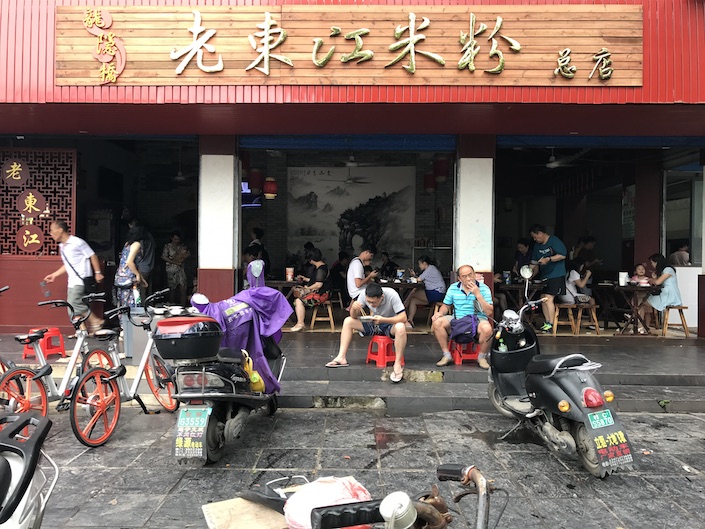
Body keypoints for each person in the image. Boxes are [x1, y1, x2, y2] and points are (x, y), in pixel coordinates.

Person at [325, 283, 408, 383]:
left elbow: (403, 317)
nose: (371, 305)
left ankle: (397, 363)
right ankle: (341, 357)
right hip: (373, 323)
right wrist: (354, 309)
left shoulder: (392, 294)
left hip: (389, 324)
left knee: (401, 327)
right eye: (369, 302)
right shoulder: (363, 294)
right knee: (348, 321)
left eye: (374, 302)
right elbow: (353, 316)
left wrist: (384, 320)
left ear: (382, 297)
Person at [43, 220, 104, 334]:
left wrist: (97, 272)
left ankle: (95, 321)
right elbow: (67, 265)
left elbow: (92, 255)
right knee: (71, 309)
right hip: (72, 281)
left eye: (52, 230)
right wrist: (54, 275)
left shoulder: (77, 242)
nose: (50, 233)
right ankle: (82, 332)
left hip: (81, 280)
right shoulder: (62, 246)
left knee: (74, 303)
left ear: (60, 230)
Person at [431, 265, 493, 369]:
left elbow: (489, 312)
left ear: (474, 274)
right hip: (458, 319)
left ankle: (482, 357)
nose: (468, 279)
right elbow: (446, 305)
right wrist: (440, 313)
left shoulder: (484, 288)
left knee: (487, 329)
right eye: (464, 276)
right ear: (459, 278)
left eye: (470, 275)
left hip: (477, 319)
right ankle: (446, 355)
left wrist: (478, 294)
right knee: (437, 322)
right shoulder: (453, 288)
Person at [529, 224, 567, 334]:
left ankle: (551, 324)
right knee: (542, 298)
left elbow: (562, 255)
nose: (534, 239)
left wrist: (548, 259)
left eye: (535, 237)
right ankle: (547, 322)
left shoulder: (554, 241)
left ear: (540, 233)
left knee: (548, 298)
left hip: (556, 274)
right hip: (544, 276)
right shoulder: (537, 246)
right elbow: (534, 263)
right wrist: (528, 273)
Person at [290, 247, 332, 332]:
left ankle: (300, 323)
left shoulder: (321, 269)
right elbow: (317, 280)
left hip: (322, 294)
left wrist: (307, 288)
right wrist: (305, 279)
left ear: (312, 259)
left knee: (298, 301)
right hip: (321, 292)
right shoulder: (321, 267)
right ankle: (300, 322)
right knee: (297, 297)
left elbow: (318, 284)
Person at [641, 253, 683, 334]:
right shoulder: (665, 270)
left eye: (652, 263)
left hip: (670, 297)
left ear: (657, 262)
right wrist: (654, 277)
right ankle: (643, 326)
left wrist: (651, 280)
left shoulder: (668, 270)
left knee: (641, 301)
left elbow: (658, 282)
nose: (652, 265)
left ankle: (640, 324)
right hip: (666, 295)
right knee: (642, 302)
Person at [405, 255, 447, 329]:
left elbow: (418, 280)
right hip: (436, 293)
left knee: (413, 293)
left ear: (424, 263)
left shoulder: (430, 269)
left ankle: (403, 308)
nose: (419, 266)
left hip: (436, 293)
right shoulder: (430, 269)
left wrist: (414, 276)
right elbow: (419, 279)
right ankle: (410, 321)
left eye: (420, 264)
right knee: (413, 300)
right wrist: (415, 276)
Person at [114, 224, 147, 307]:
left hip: (121, 277)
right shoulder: (136, 245)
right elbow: (130, 262)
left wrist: (141, 278)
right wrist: (137, 275)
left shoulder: (127, 244)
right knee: (133, 302)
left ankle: (122, 318)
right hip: (129, 277)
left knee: (123, 301)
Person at [161, 230, 190, 306]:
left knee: (183, 288)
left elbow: (187, 254)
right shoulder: (167, 246)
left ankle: (183, 306)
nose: (176, 241)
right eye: (175, 239)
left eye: (178, 239)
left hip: (181, 270)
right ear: (171, 238)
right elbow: (164, 256)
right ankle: (171, 305)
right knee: (172, 289)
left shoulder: (182, 246)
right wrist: (175, 262)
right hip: (171, 270)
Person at [128, 219, 155, 297]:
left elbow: (133, 260)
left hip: (141, 268)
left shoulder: (139, 242)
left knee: (140, 293)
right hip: (150, 266)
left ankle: (143, 308)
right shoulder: (150, 237)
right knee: (149, 292)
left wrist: (137, 273)